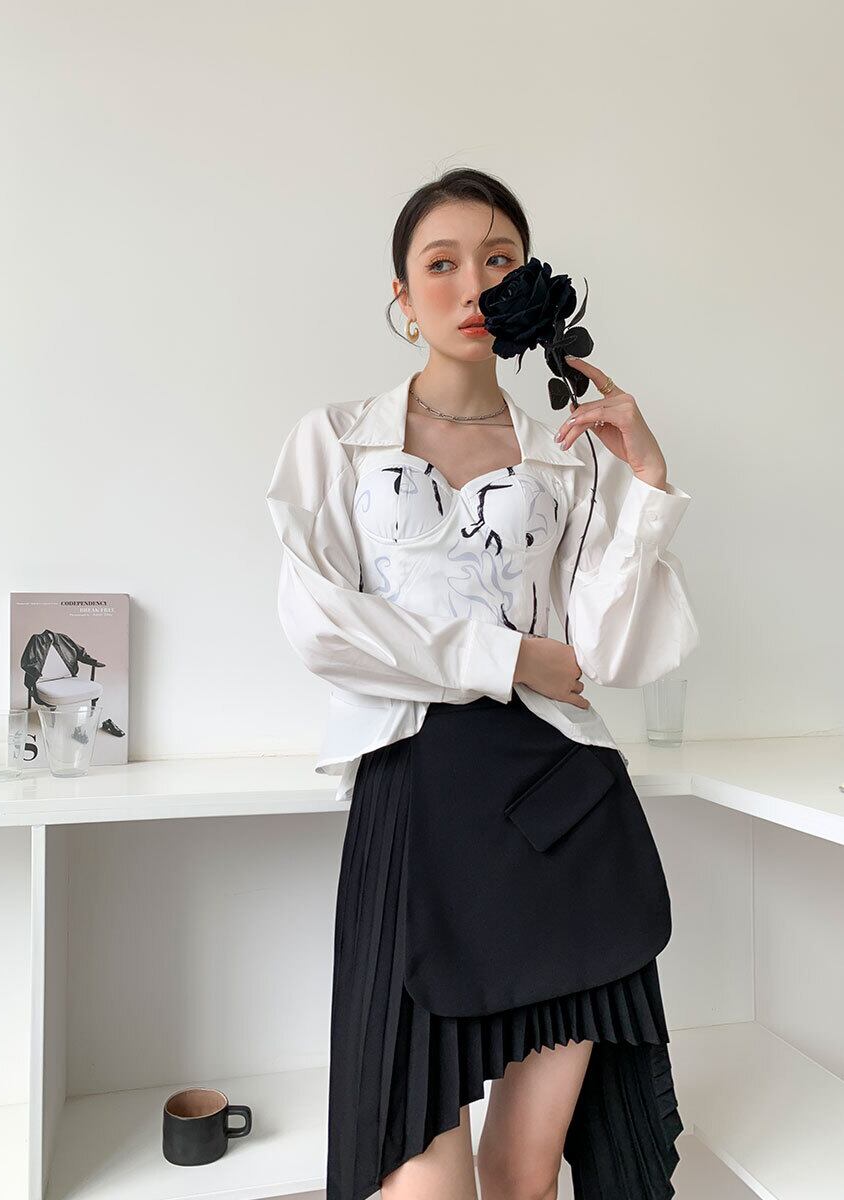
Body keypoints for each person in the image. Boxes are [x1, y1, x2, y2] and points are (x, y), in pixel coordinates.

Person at [265, 167, 698, 1200]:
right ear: (402, 296)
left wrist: (645, 483)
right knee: (420, 1181)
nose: (473, 285)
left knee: (523, 1176)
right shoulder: (337, 440)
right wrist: (508, 657)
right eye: (442, 263)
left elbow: (606, 651)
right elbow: (321, 623)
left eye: (499, 261)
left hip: (563, 809)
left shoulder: (568, 457)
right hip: (416, 800)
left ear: (526, 286)